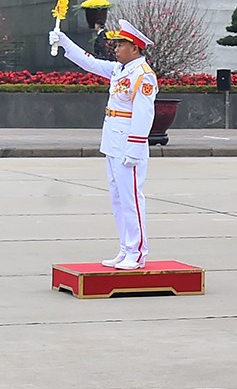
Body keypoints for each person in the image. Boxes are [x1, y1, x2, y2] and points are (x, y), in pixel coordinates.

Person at [51, 21, 157, 269]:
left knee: (131, 199)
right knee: (118, 199)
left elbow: (144, 114)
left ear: (135, 48)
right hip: (113, 138)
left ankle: (137, 252)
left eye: (120, 44)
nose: (116, 48)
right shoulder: (120, 70)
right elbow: (90, 62)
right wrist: (65, 41)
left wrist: (135, 146)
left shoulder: (143, 75)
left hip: (129, 141)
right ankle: (125, 248)